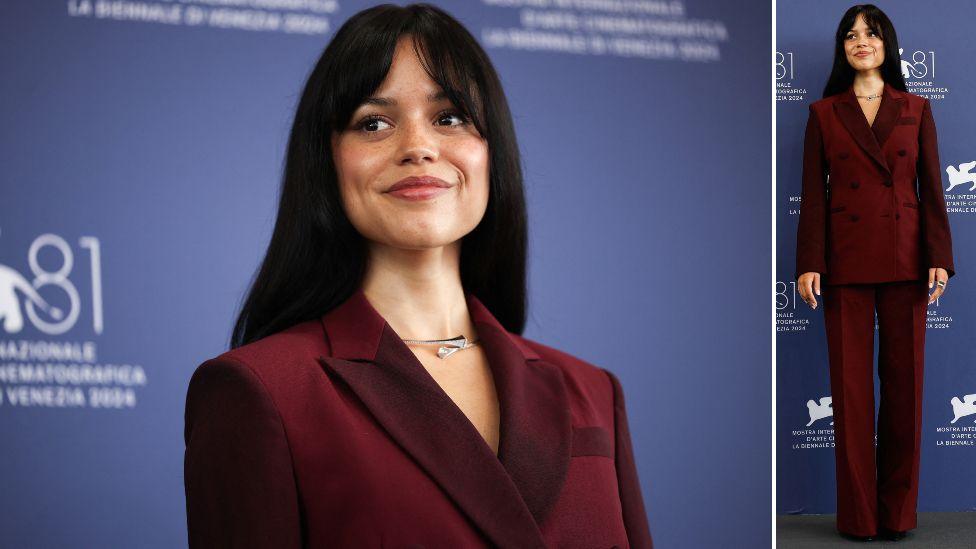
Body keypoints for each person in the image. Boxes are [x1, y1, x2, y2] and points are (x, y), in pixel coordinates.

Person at [182, 3, 653, 547]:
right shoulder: (260, 390)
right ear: (327, 162)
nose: (418, 148)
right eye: (374, 123)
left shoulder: (593, 392)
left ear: (490, 151)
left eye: (449, 117)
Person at [794, 4, 955, 542]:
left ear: (888, 43)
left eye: (871, 32)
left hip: (907, 260)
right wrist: (810, 263)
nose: (861, 41)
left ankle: (899, 515)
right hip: (844, 264)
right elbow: (814, 199)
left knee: (905, 393)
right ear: (843, 48)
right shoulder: (822, 113)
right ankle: (860, 518)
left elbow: (932, 191)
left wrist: (940, 257)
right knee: (853, 396)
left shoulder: (916, 108)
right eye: (851, 35)